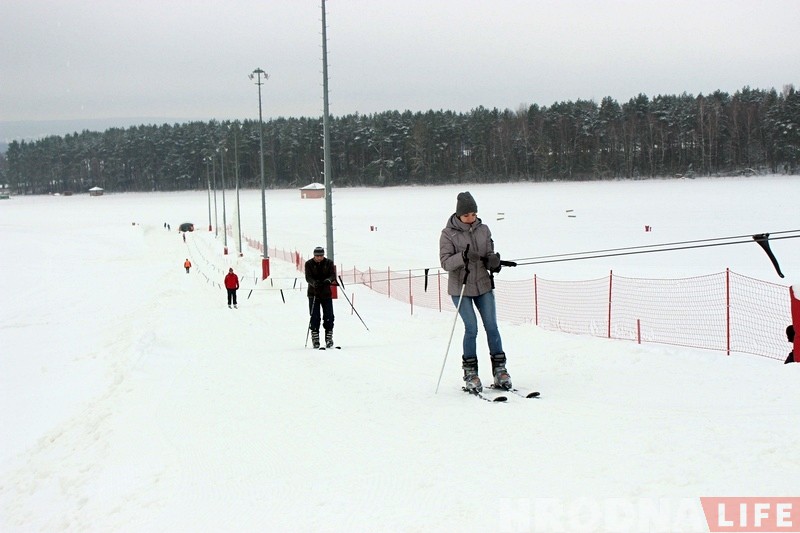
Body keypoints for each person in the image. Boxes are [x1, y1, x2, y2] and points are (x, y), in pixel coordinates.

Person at [439, 191, 510, 392]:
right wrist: (462, 256)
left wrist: (493, 261)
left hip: (483, 285)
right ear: (458, 215)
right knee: (471, 328)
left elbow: (489, 253)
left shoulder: (484, 229)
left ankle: (500, 371)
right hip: (460, 288)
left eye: (473, 214)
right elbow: (445, 263)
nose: (471, 218)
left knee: (492, 327)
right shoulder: (448, 234)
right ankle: (471, 372)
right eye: (466, 215)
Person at [305, 246, 336, 348]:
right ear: (314, 255)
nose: (319, 258)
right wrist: (314, 283)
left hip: (326, 294)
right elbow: (308, 277)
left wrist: (328, 280)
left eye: (321, 256)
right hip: (313, 294)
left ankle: (328, 337)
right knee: (315, 316)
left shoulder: (329, 263)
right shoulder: (309, 264)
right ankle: (315, 337)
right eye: (317, 256)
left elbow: (333, 275)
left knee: (329, 316)